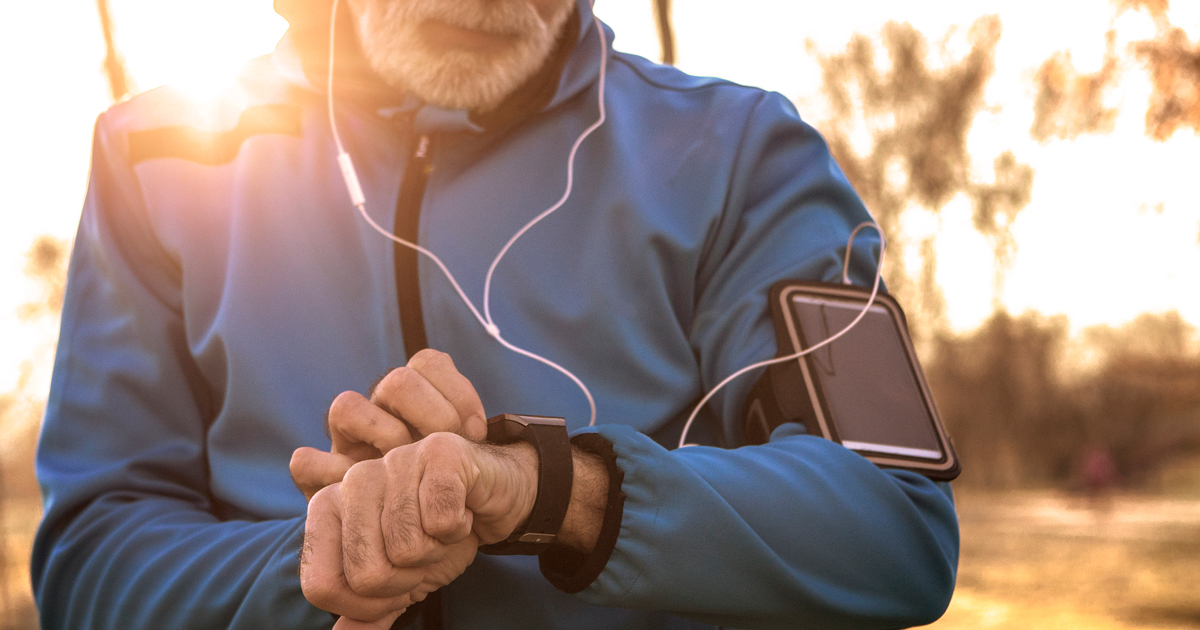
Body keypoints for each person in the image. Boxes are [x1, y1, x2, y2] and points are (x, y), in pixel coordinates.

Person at [32, 0, 959, 628]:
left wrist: (550, 491)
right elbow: (90, 558)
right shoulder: (154, 157)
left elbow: (898, 520)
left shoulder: (747, 156)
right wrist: (335, 555)